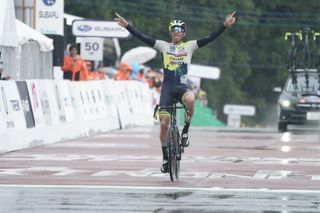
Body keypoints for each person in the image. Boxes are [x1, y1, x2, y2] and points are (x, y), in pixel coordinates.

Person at [115, 12, 236, 173]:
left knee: (191, 99)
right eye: (173, 29)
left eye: (179, 29)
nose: (176, 32)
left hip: (181, 88)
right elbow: (143, 37)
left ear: (184, 33)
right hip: (167, 89)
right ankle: (165, 159)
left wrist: (224, 26)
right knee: (164, 124)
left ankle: (185, 131)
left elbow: (210, 37)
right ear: (171, 32)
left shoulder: (190, 46)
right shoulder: (163, 46)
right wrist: (127, 26)